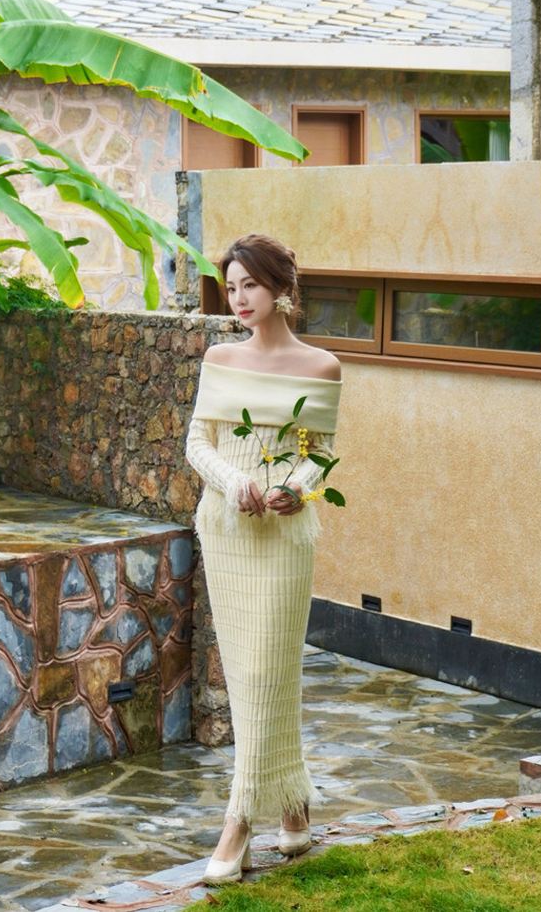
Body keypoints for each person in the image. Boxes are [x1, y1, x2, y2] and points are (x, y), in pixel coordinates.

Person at [185, 233, 342, 885]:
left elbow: (320, 453)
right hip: (227, 530)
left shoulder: (321, 367)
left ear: (281, 288)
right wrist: (234, 482)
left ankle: (239, 820)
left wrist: (295, 488)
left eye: (250, 284)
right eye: (231, 287)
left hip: (284, 537)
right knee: (248, 673)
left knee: (269, 673)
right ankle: (295, 808)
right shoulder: (220, 358)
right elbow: (198, 443)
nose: (239, 297)